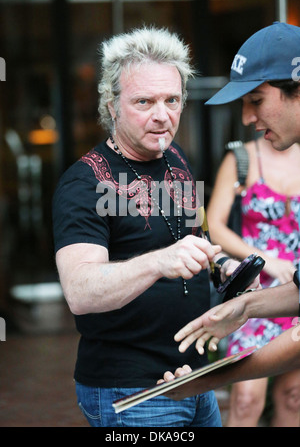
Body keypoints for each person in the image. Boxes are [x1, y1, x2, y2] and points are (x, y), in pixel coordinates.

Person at [52, 26, 241, 428]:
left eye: (172, 100)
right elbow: (80, 292)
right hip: (132, 391)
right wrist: (160, 262)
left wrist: (223, 265)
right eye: (144, 101)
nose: (162, 114)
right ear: (112, 104)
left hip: (194, 378)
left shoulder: (175, 156)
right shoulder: (84, 183)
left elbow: (194, 238)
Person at [161, 22, 300, 419]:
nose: (246, 118)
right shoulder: (244, 159)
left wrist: (207, 379)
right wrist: (246, 308)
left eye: (256, 100)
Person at [206, 134, 300, 427]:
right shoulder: (242, 159)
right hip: (255, 293)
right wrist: (267, 259)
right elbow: (214, 226)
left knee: (293, 396)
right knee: (247, 398)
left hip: (296, 295)